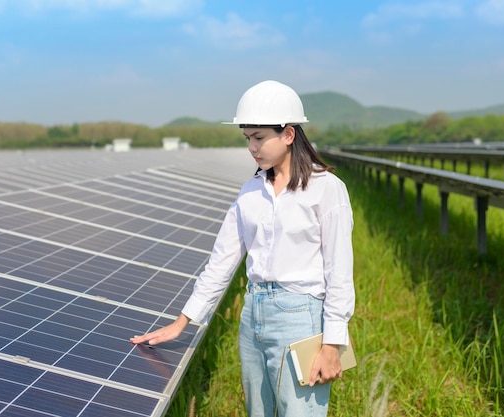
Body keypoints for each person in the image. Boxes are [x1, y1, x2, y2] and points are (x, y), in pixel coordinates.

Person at [131, 80, 355, 417]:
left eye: (260, 137)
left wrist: (333, 343)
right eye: (247, 138)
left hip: (301, 317)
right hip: (252, 316)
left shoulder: (327, 189)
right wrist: (182, 322)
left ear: (289, 134)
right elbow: (221, 262)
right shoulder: (249, 192)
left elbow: (339, 271)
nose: (252, 147)